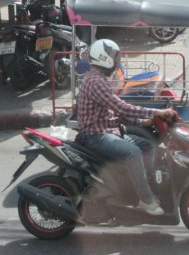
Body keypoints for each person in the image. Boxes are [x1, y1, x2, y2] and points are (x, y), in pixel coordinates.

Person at [76, 39, 178, 216]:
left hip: (108, 130)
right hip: (95, 136)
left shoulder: (100, 79)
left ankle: (136, 186)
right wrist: (156, 113)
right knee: (133, 153)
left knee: (147, 146)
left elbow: (114, 112)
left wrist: (141, 122)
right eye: (115, 58)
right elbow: (121, 107)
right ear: (104, 58)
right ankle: (146, 200)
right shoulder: (95, 82)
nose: (117, 62)